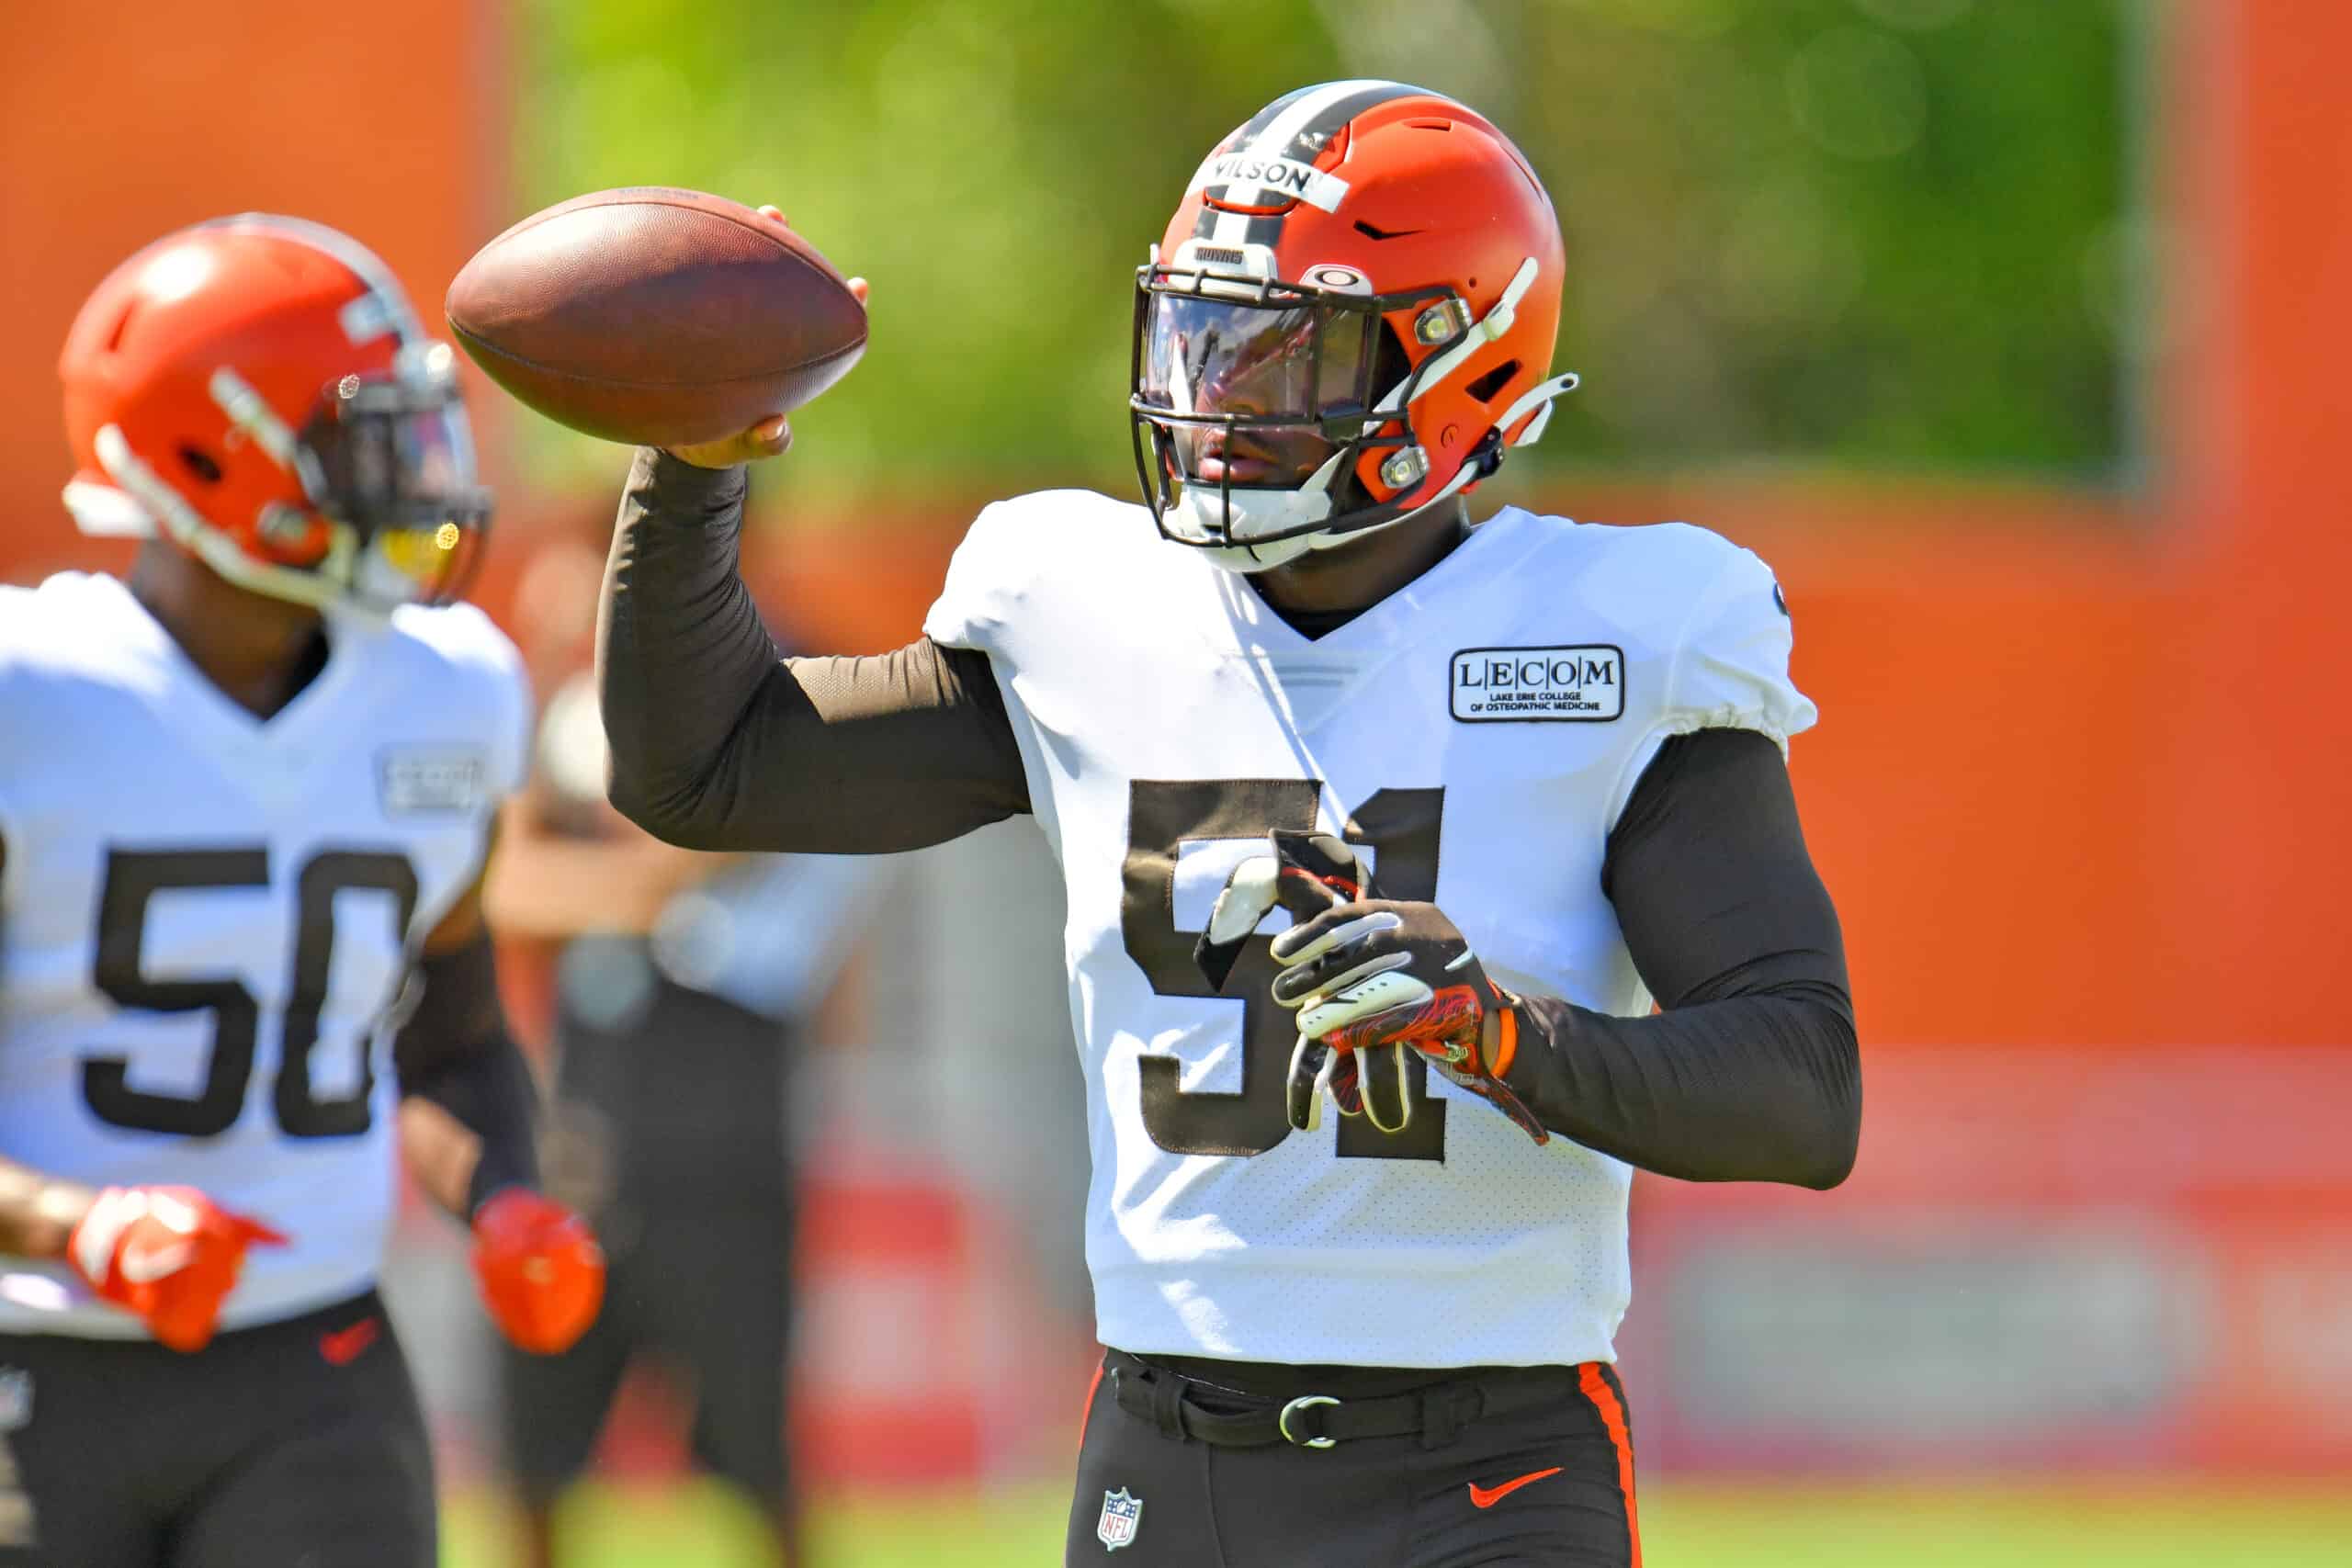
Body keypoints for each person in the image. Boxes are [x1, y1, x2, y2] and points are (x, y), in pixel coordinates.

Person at [595, 81, 1860, 1568]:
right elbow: (703, 768)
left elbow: (1802, 1088)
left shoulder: (1617, 637)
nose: (1222, 394)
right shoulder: (1087, 608)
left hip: (1492, 1460)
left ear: (1454, 363)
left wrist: (1501, 1032)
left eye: (1284, 352)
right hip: (1169, 1450)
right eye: (1204, 336)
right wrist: (689, 457)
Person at [0, 215, 605, 1568]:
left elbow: (447, 1031)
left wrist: (506, 1190)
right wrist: (71, 1220)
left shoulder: (447, 690)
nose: (414, 480)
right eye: (362, 439)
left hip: (315, 1365)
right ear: (208, 452)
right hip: (31, 1365)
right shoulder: (28, 698)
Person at [488, 534, 877, 1568]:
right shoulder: (581, 714)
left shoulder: (786, 699)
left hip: (722, 1147)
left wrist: (601, 874)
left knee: (756, 1457)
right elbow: (502, 885)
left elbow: (691, 858)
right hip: (581, 1140)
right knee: (530, 1456)